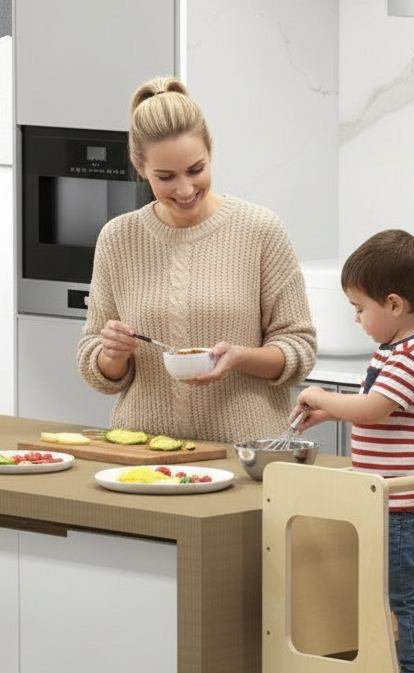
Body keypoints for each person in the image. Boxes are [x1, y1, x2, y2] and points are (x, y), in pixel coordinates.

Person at [77, 77, 317, 445]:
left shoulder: (260, 230)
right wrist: (112, 353)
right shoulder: (118, 238)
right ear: (140, 167)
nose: (185, 189)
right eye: (166, 177)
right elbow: (98, 369)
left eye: (195, 170)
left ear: (210, 152)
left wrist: (239, 358)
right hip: (144, 456)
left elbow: (299, 350)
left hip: (245, 455)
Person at [291, 229, 414, 673]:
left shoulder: (409, 355)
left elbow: (372, 409)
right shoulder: (404, 349)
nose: (358, 319)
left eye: (360, 309)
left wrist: (322, 394)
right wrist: (328, 411)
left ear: (394, 305)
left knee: (407, 597)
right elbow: (380, 409)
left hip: (406, 506)